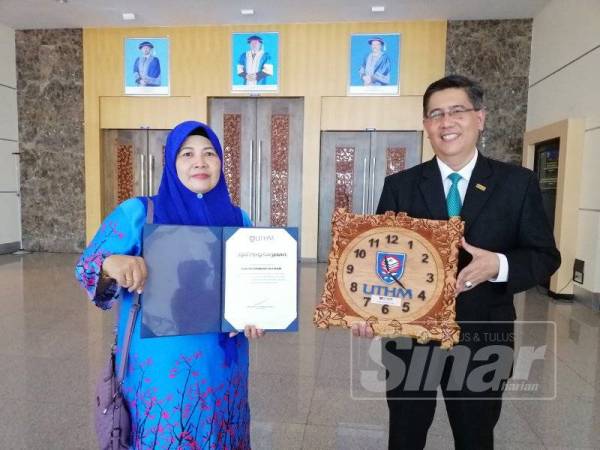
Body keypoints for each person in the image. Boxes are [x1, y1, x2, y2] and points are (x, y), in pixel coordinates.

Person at [353, 75, 561, 449]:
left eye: (457, 111)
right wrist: (370, 310)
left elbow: (545, 256)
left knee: (475, 436)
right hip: (410, 341)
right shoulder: (400, 185)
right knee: (405, 434)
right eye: (436, 114)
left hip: (483, 341)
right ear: (426, 126)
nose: (446, 122)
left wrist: (497, 265)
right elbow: (381, 262)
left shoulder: (517, 183)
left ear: (479, 117)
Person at [76, 121, 263, 449]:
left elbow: (255, 286)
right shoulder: (139, 213)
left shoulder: (239, 220)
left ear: (221, 162)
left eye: (209, 154)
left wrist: (257, 313)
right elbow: (86, 268)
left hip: (222, 369)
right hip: (161, 373)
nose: (200, 162)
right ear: (172, 164)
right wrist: (112, 263)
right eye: (187, 153)